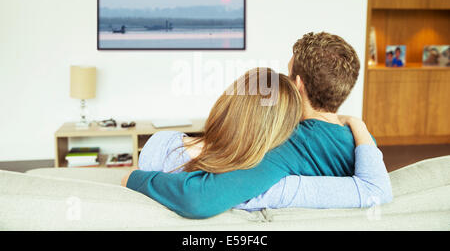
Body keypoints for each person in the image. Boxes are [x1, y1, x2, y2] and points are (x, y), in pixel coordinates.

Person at [123, 32, 389, 219]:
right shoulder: (364, 146)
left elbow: (201, 198)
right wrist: (358, 124)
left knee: (169, 147)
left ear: (298, 85)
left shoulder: (288, 143)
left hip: (172, 161)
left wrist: (133, 178)